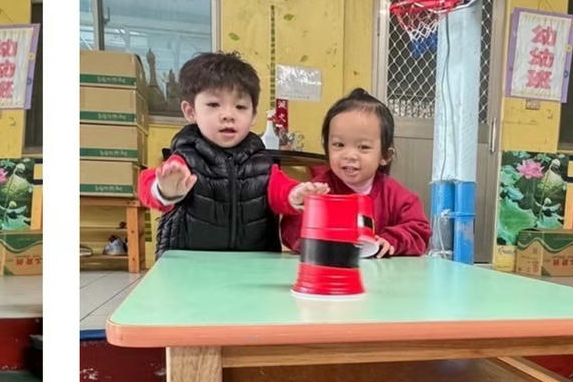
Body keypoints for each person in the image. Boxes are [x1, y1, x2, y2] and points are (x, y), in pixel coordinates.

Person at [136, 51, 325, 255]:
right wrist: (164, 190)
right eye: (213, 104)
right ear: (190, 111)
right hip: (191, 263)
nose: (228, 115)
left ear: (253, 116)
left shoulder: (262, 162)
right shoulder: (185, 158)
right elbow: (146, 185)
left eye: (240, 106)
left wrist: (294, 195)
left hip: (251, 263)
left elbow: (279, 190)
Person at [277, 88, 430, 257]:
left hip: (381, 272)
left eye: (363, 147)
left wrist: (391, 240)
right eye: (339, 145)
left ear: (385, 155)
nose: (349, 155)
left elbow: (420, 231)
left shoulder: (397, 197)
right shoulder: (319, 191)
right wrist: (303, 211)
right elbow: (290, 234)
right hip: (333, 269)